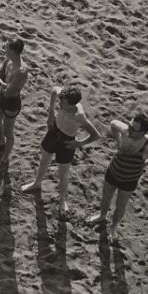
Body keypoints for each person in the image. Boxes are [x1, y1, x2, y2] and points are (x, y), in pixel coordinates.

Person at [86, 113, 148, 242]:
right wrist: (118, 141)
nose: (129, 130)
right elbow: (113, 123)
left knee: (120, 206)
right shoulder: (125, 131)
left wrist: (147, 162)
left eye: (133, 129)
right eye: (129, 125)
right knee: (106, 197)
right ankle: (102, 216)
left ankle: (113, 227)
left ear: (142, 133)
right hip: (113, 171)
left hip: (129, 180)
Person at [21, 85, 101, 215]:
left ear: (72, 104)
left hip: (67, 141)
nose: (60, 104)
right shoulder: (62, 95)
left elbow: (95, 135)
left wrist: (79, 143)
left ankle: (63, 201)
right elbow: (54, 90)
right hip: (54, 131)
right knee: (44, 160)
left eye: (63, 103)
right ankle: (37, 183)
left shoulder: (79, 115)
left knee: (63, 174)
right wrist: (51, 112)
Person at [0, 37, 28, 169]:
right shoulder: (8, 60)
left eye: (7, 47)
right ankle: (0, 142)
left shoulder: (21, 71)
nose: (4, 48)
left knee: (8, 131)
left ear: (14, 51)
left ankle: (6, 156)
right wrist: (3, 84)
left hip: (11, 103)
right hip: (2, 96)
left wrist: (1, 83)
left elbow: (9, 92)